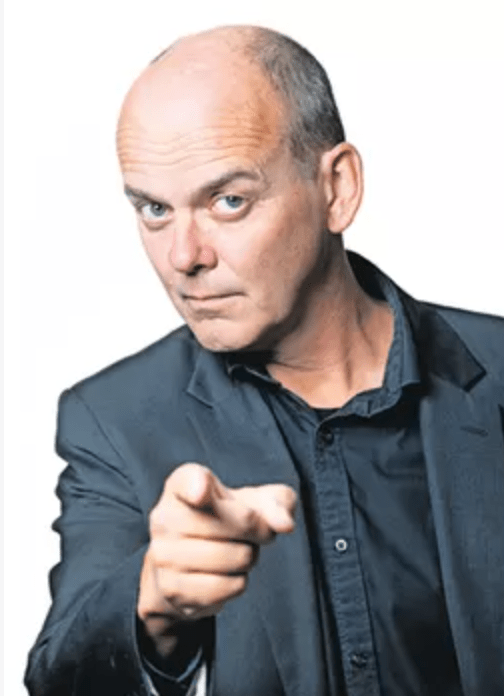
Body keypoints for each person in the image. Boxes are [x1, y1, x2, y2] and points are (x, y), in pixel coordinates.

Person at [25, 25, 504, 696]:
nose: (184, 257)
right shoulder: (112, 419)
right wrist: (153, 601)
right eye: (155, 209)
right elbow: (61, 677)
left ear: (337, 187)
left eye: (229, 201)